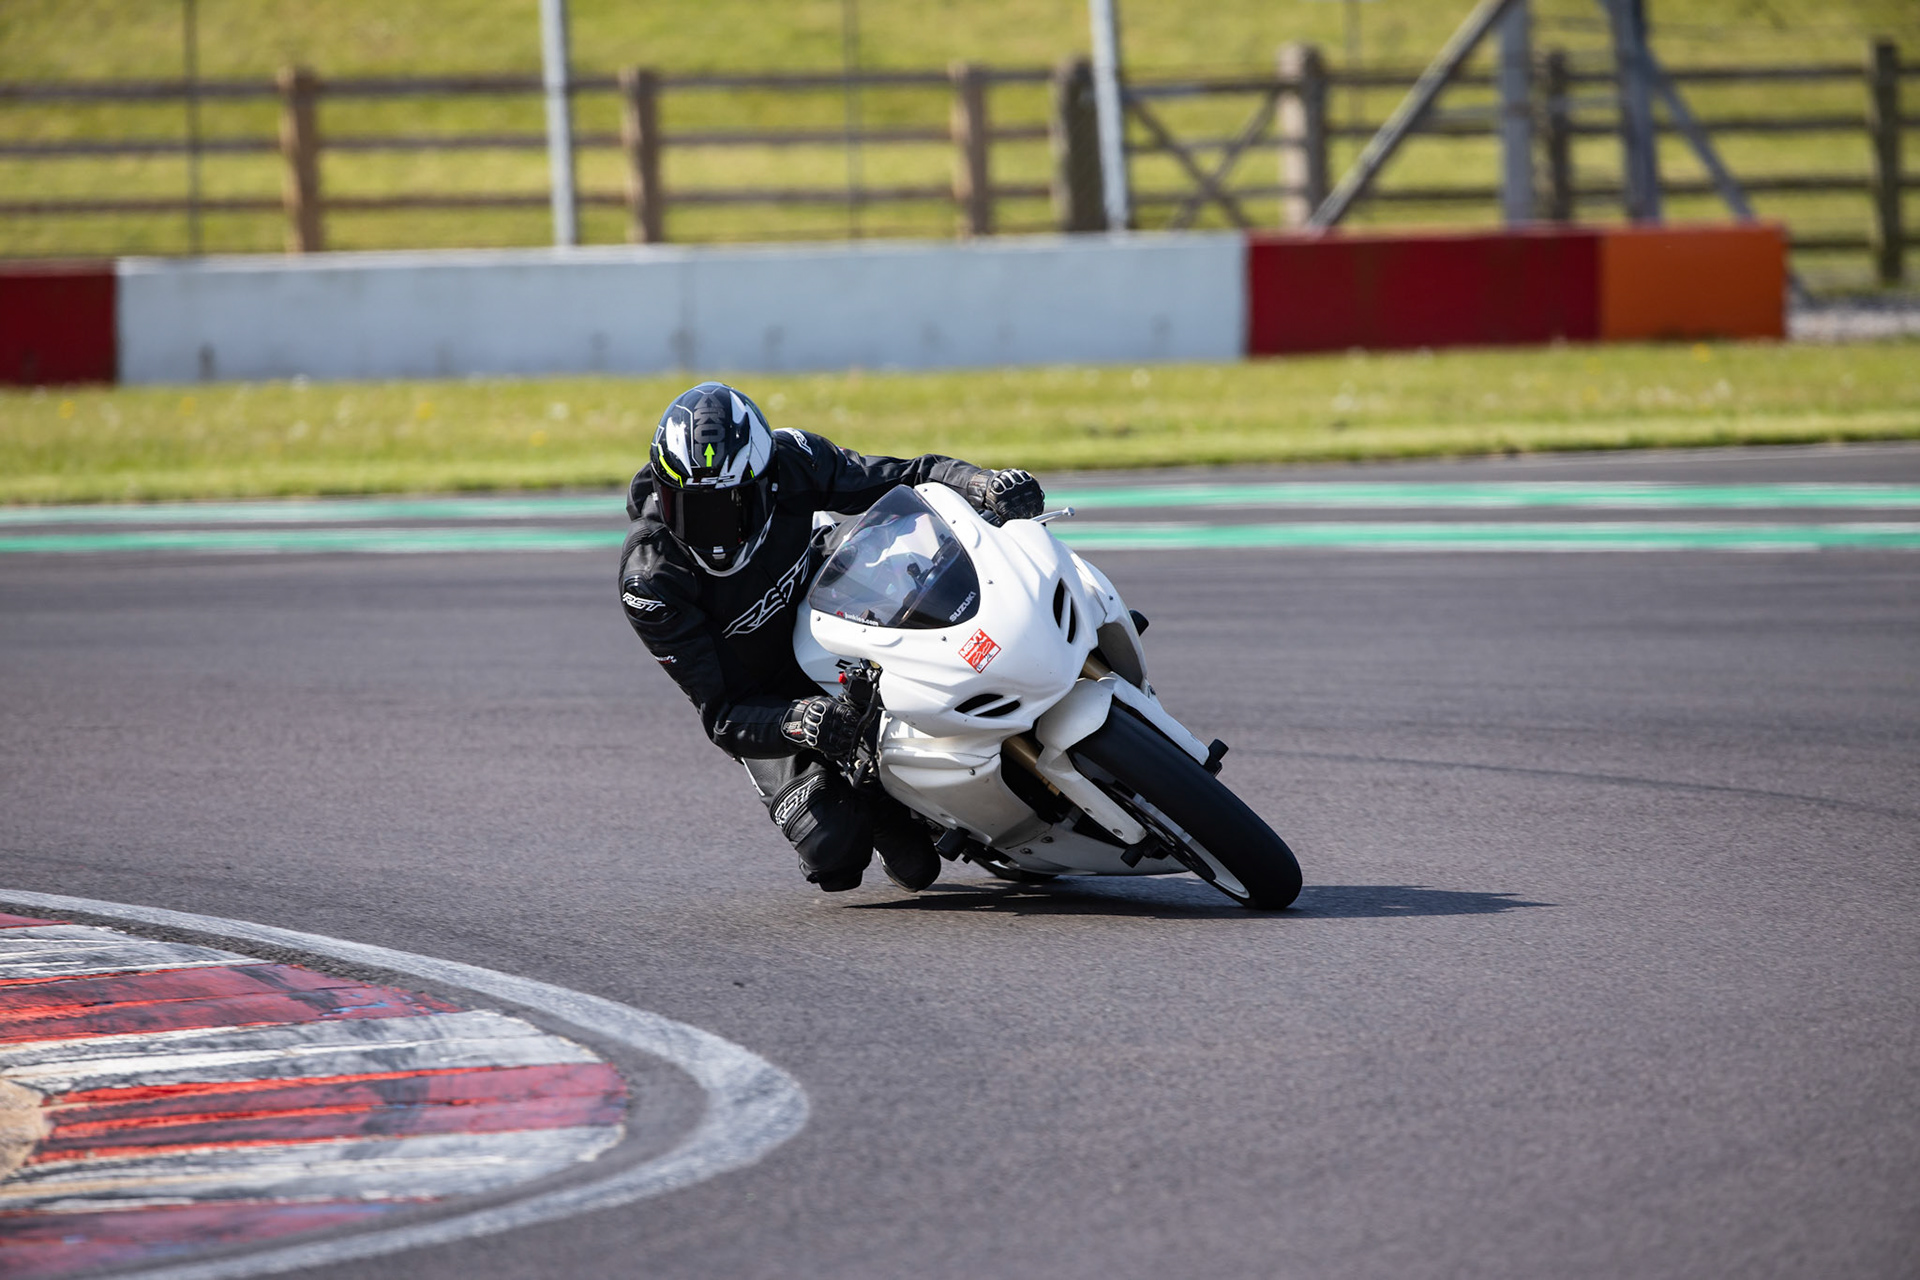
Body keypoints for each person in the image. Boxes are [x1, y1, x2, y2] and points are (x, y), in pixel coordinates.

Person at [618, 381, 1045, 894]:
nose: (709, 530)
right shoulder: (651, 581)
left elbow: (907, 476)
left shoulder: (793, 459)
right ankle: (877, 797)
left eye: (728, 507)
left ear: (766, 482)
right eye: (689, 507)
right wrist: (797, 721)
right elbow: (723, 713)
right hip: (766, 697)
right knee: (838, 854)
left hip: (838, 611)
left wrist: (980, 483)